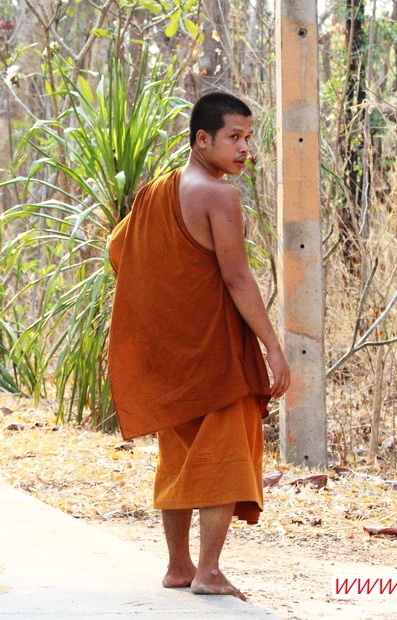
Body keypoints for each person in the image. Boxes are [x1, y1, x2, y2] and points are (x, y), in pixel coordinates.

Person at [107, 92, 290, 601]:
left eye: (249, 138)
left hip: (172, 352)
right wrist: (273, 347)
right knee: (222, 457)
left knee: (179, 456)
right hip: (214, 355)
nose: (245, 148)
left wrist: (169, 305)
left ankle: (178, 565)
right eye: (234, 137)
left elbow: (118, 250)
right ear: (202, 140)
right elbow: (237, 278)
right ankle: (208, 571)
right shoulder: (218, 195)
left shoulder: (156, 191)